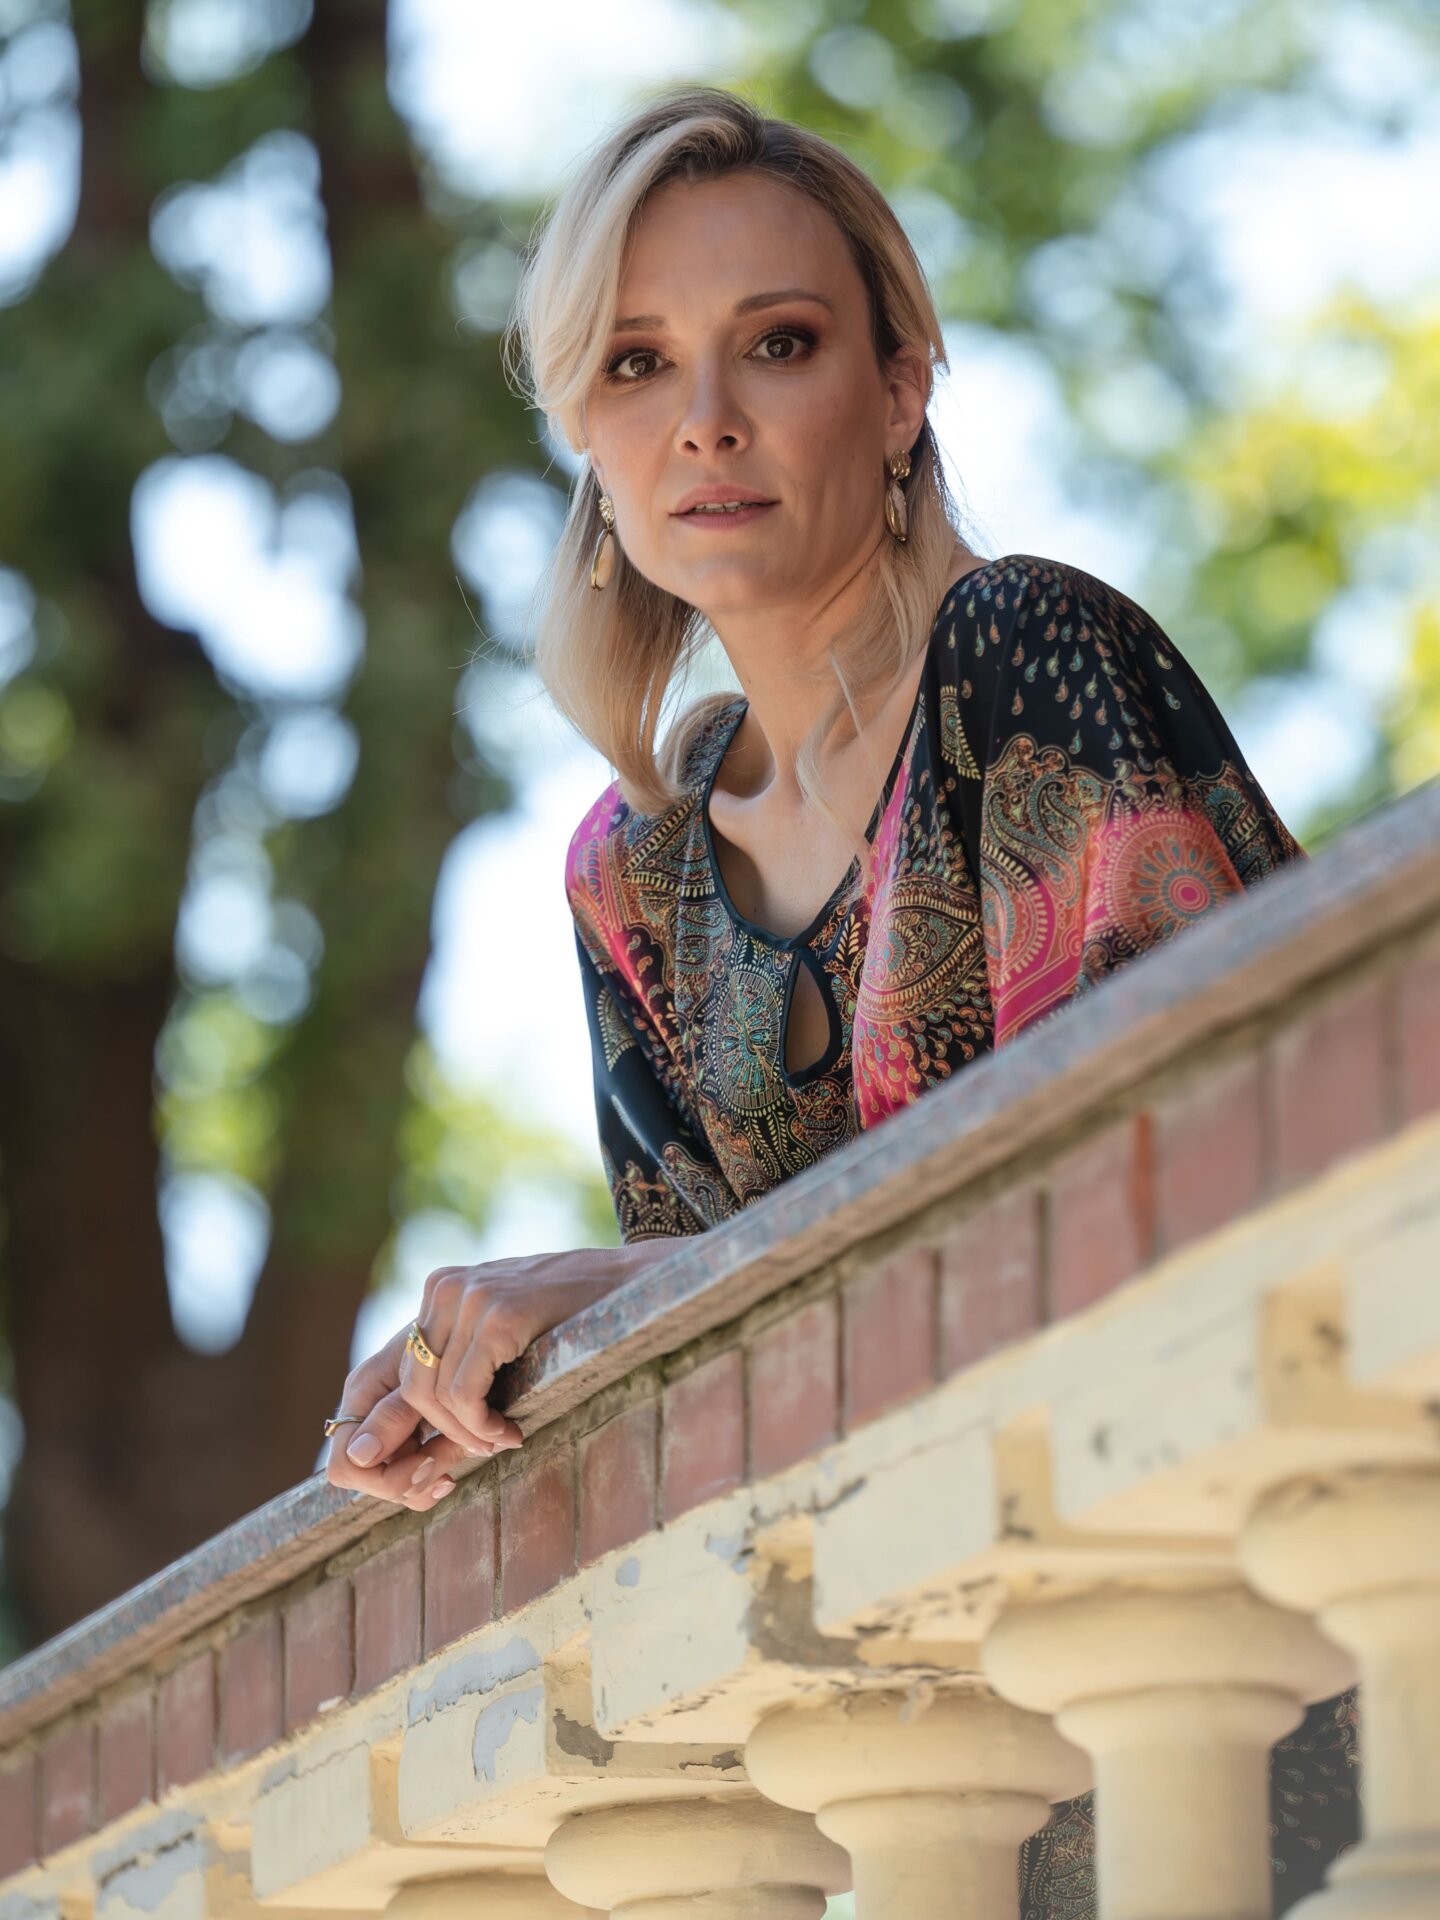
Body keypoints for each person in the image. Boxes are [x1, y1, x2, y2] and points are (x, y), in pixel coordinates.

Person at [324, 85, 1357, 1914]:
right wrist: (492, 1385)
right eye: (636, 364)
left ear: (898, 392)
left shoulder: (1024, 658)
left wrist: (616, 1288)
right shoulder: (633, 874)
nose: (705, 418)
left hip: (1294, 1667)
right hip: (988, 1765)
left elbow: (1144, 1202)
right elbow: (731, 1413)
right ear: (586, 437)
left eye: (779, 343)